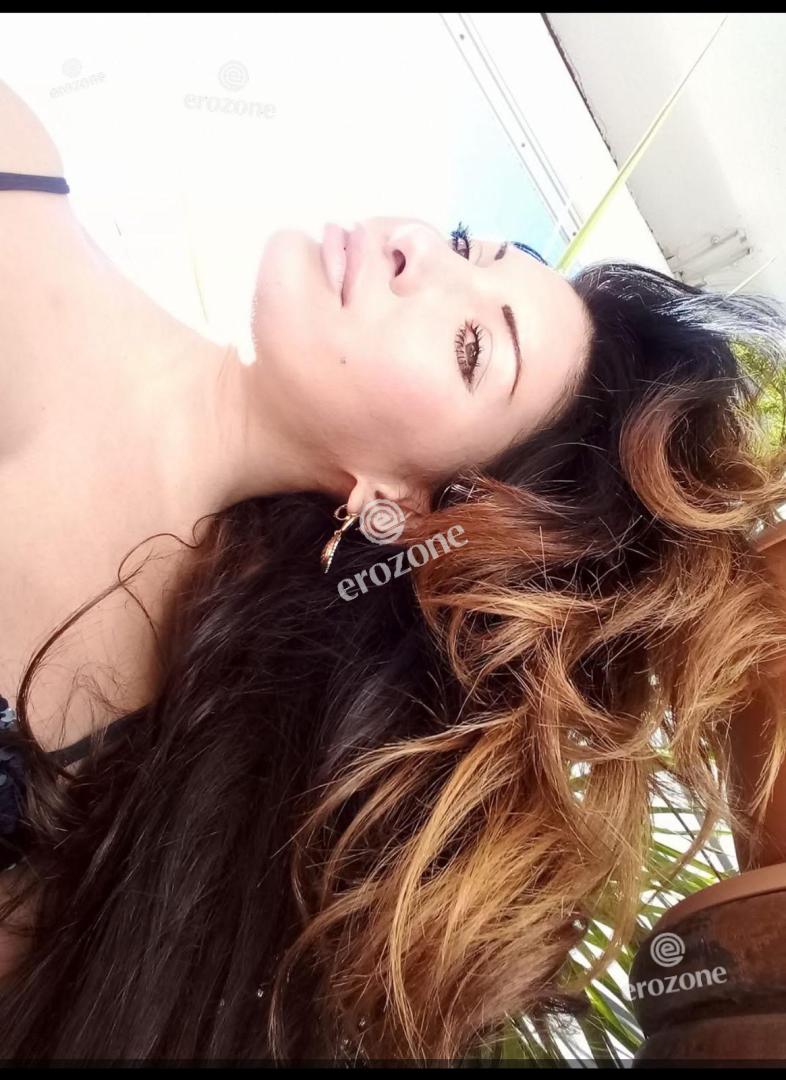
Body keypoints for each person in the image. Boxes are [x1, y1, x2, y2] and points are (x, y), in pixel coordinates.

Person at [1, 78, 785, 1064]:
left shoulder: (156, 783)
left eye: (471, 347)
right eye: (465, 245)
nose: (417, 248)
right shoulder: (15, 165)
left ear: (410, 509)